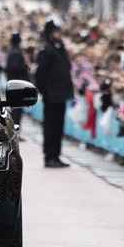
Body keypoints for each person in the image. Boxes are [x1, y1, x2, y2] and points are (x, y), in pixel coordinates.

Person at [34, 19, 73, 168]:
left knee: (58, 127)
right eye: (56, 31)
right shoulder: (46, 50)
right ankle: (49, 156)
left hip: (61, 95)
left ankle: (56, 155)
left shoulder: (59, 48)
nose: (59, 34)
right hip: (51, 96)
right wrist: (45, 92)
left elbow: (66, 66)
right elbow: (40, 74)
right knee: (50, 127)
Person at [5, 32, 31, 127]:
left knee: (15, 109)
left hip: (13, 84)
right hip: (17, 86)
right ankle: (15, 130)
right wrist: (24, 67)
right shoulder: (16, 53)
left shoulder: (12, 51)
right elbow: (14, 67)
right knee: (17, 110)